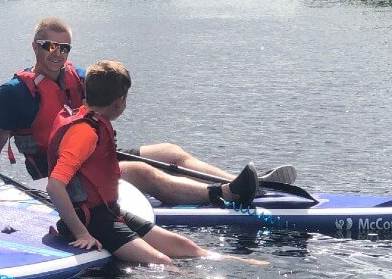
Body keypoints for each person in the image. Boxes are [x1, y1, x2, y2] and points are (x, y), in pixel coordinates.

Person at [0, 17, 296, 205]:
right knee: (143, 172)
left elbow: (107, 95)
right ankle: (224, 194)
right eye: (50, 45)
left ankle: (247, 182)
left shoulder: (77, 77)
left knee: (169, 151)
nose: (58, 53)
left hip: (94, 156)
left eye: (64, 47)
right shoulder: (13, 93)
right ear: (35, 46)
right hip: (60, 175)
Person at [46, 60, 266, 266]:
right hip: (91, 222)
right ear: (120, 101)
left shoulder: (92, 122)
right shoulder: (85, 133)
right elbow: (55, 185)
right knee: (162, 263)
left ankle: (246, 264)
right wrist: (81, 233)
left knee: (186, 246)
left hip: (108, 212)